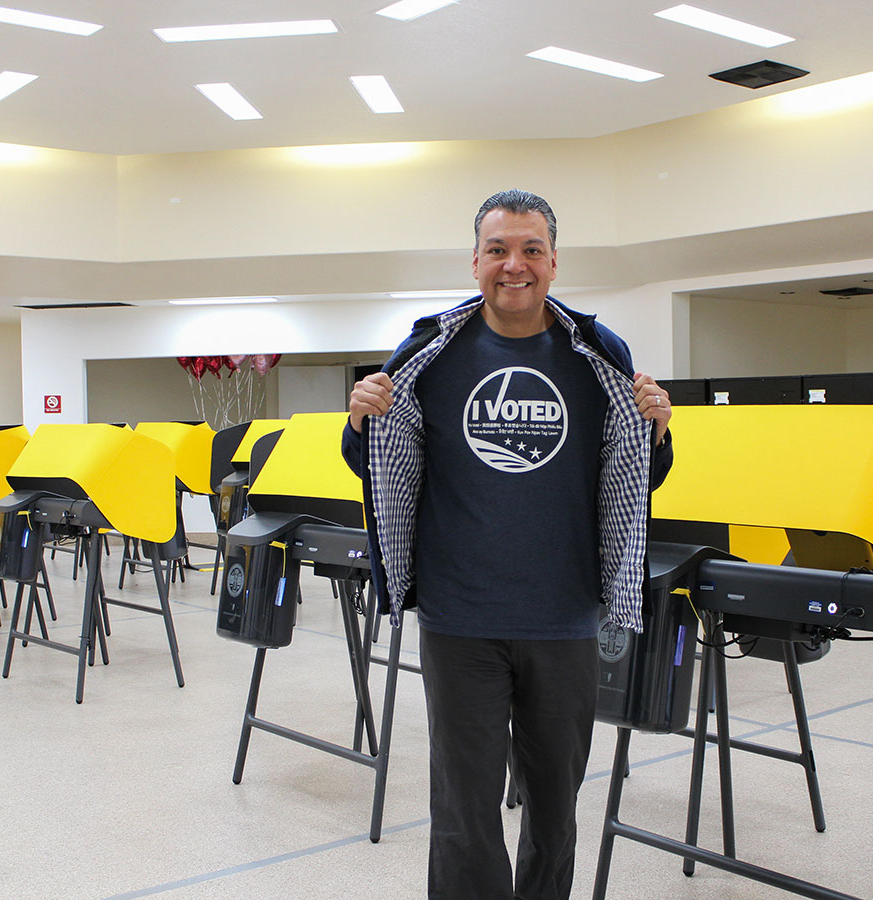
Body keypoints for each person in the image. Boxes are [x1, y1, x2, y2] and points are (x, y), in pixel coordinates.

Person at [341, 189, 673, 900]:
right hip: (461, 617)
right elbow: (379, 466)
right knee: (464, 813)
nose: (513, 265)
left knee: (555, 813)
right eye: (498, 249)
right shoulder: (431, 350)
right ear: (475, 261)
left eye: (529, 250)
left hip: (563, 617)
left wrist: (660, 430)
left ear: (554, 262)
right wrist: (361, 421)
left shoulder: (599, 355)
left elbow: (636, 475)